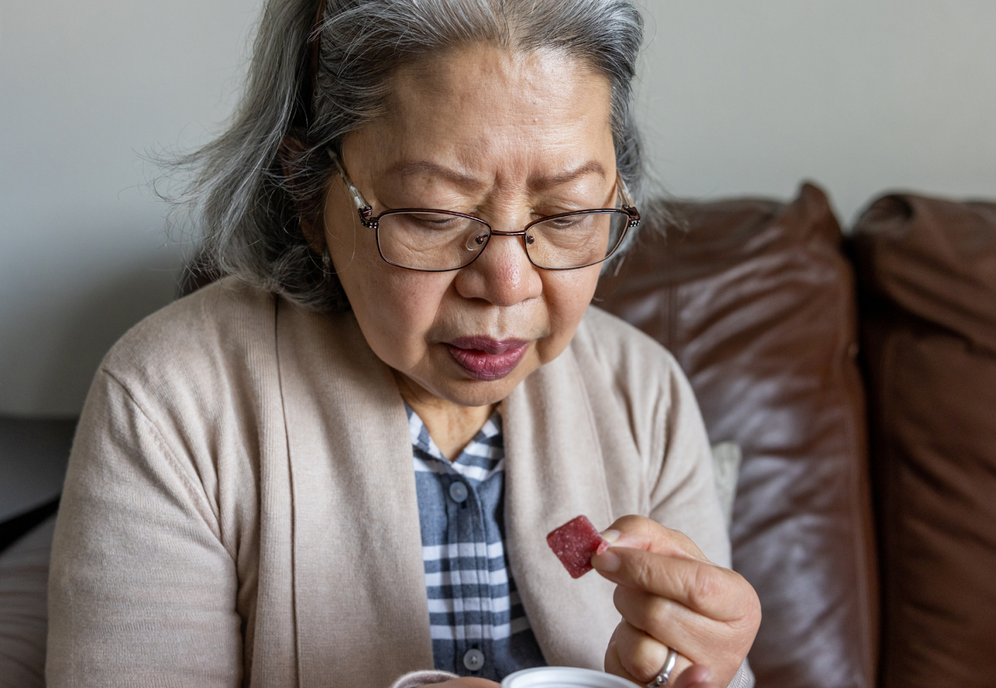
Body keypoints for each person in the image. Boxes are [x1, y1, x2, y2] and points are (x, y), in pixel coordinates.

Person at [46, 1, 760, 686]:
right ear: (307, 193)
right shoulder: (170, 401)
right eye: (434, 215)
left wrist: (698, 674)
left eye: (568, 214)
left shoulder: (646, 394)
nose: (507, 285)